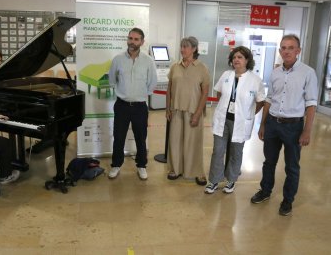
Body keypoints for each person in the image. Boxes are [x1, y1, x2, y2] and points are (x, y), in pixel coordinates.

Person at [250, 34, 318, 216]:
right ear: (280, 50)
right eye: (283, 48)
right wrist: (263, 125)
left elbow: (311, 104)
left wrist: (307, 131)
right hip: (272, 123)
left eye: (290, 48)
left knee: (292, 167)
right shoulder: (275, 72)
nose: (286, 51)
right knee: (269, 162)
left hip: (293, 127)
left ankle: (287, 201)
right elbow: (269, 99)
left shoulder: (308, 73)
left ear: (298, 51)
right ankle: (265, 191)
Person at [205, 46, 265, 194]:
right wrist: (223, 108)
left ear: (247, 60)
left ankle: (231, 180)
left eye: (240, 57)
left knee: (236, 152)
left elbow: (260, 101)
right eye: (234, 57)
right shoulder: (226, 75)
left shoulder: (255, 80)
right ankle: (214, 181)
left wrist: (247, 115)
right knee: (218, 151)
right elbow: (219, 93)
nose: (236, 60)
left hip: (240, 123)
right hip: (222, 120)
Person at [108, 28, 157, 180]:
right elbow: (112, 79)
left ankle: (141, 166)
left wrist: (140, 95)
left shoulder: (148, 61)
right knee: (119, 137)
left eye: (136, 39)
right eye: (130, 38)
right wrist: (125, 92)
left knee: (141, 138)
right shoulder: (117, 59)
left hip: (140, 107)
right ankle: (116, 165)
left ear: (142, 42)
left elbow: (152, 82)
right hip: (122, 105)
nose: (132, 41)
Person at [166, 36, 210, 185]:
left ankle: (197, 171)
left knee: (193, 142)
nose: (182, 49)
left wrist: (198, 114)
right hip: (176, 110)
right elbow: (169, 90)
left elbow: (205, 93)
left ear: (194, 49)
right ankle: (175, 169)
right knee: (175, 141)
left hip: (193, 111)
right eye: (181, 46)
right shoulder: (175, 67)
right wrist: (167, 109)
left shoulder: (202, 68)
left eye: (186, 47)